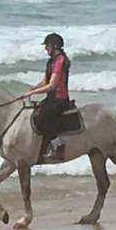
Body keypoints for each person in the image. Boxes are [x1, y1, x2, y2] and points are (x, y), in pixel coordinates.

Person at [24, 32, 72, 161]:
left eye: (47, 46)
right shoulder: (51, 61)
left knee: (42, 119)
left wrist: (32, 93)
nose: (45, 48)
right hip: (52, 98)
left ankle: (59, 146)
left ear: (55, 46)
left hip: (59, 99)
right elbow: (45, 81)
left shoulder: (60, 60)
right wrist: (33, 88)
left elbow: (51, 85)